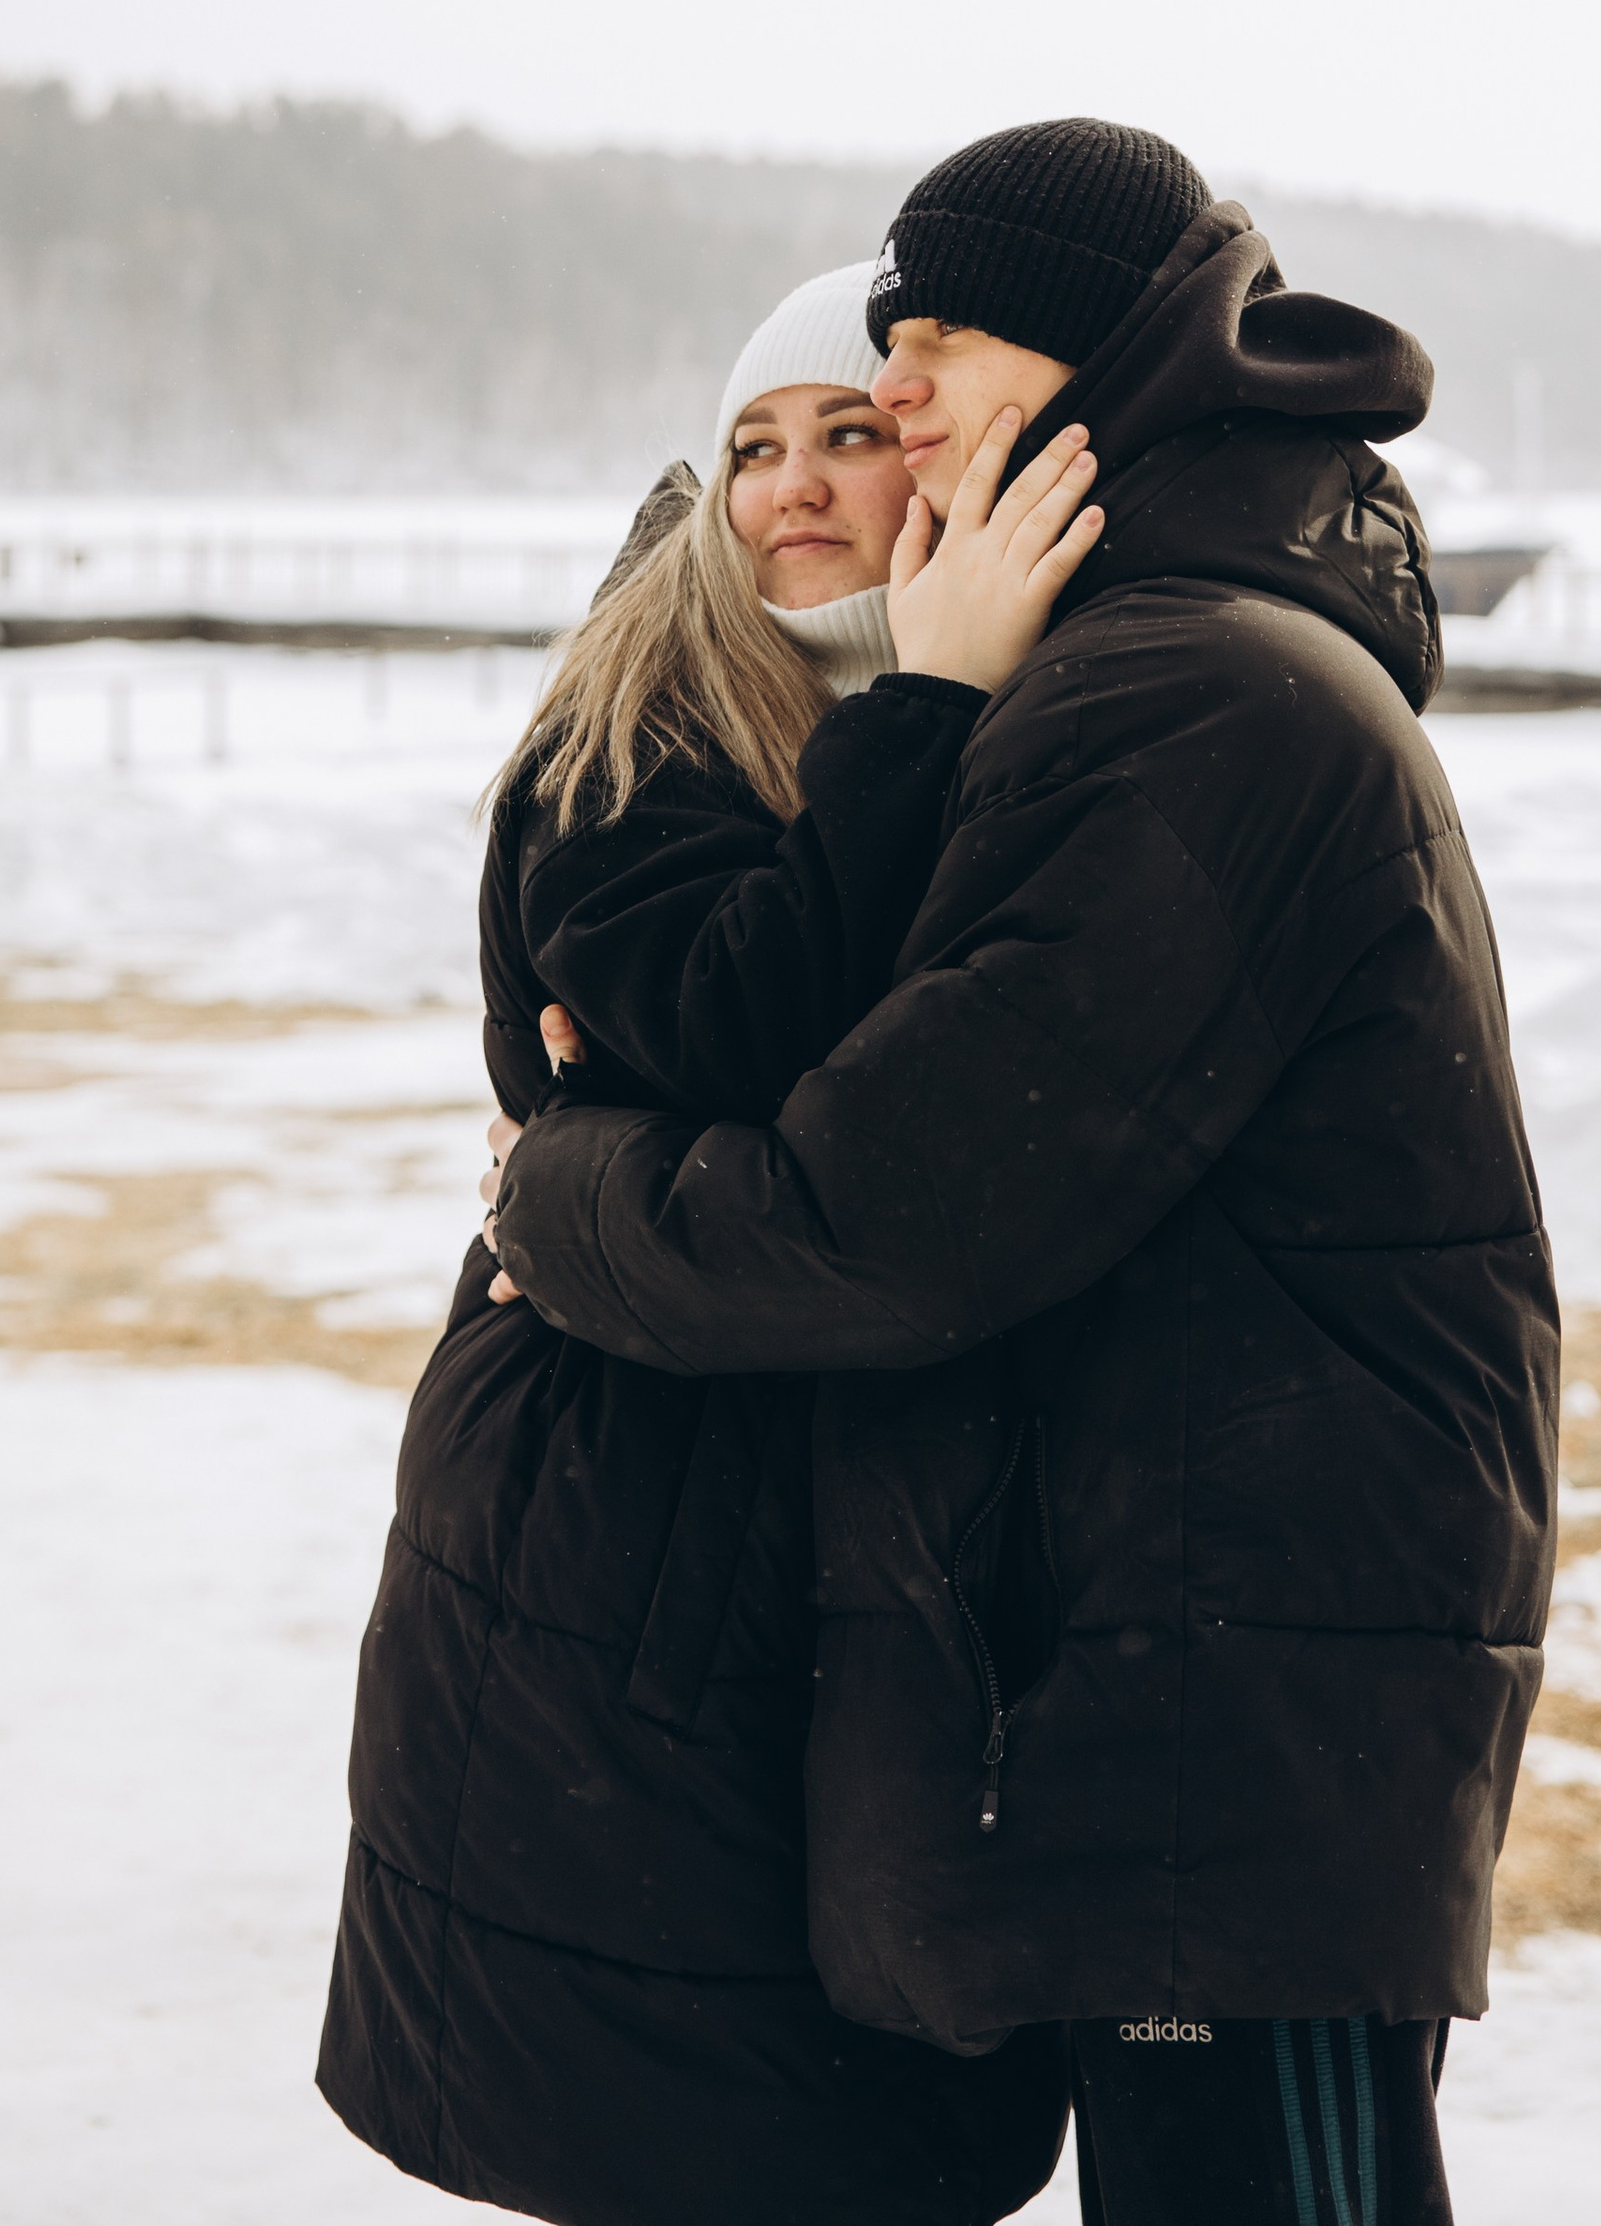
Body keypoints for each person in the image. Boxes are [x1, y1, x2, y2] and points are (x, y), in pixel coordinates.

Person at [489, 124, 1561, 2226]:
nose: (885, 393)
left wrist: (557, 1195)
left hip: (1226, 1708)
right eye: (829, 381)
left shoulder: (1183, 697)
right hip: (1162, 1670)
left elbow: (873, 1221)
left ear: (1098, 349)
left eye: (936, 343)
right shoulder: (1135, 662)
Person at [320, 262, 1097, 2226]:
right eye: (751, 447)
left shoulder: (1013, 728)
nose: (791, 488)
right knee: (683, 2123)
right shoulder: (633, 733)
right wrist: (929, 699)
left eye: (849, 433)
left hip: (826, 1507)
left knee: (841, 2127)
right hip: (619, 1514)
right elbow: (747, 1033)